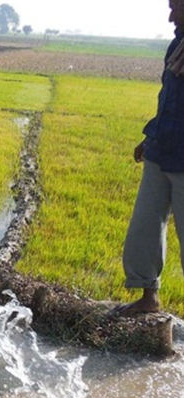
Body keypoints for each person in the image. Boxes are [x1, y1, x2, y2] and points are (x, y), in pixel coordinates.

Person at [114, 0, 184, 316]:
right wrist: (149, 136)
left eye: (177, 8)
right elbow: (167, 99)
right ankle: (148, 297)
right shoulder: (177, 45)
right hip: (160, 151)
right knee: (144, 226)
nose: (170, 16)